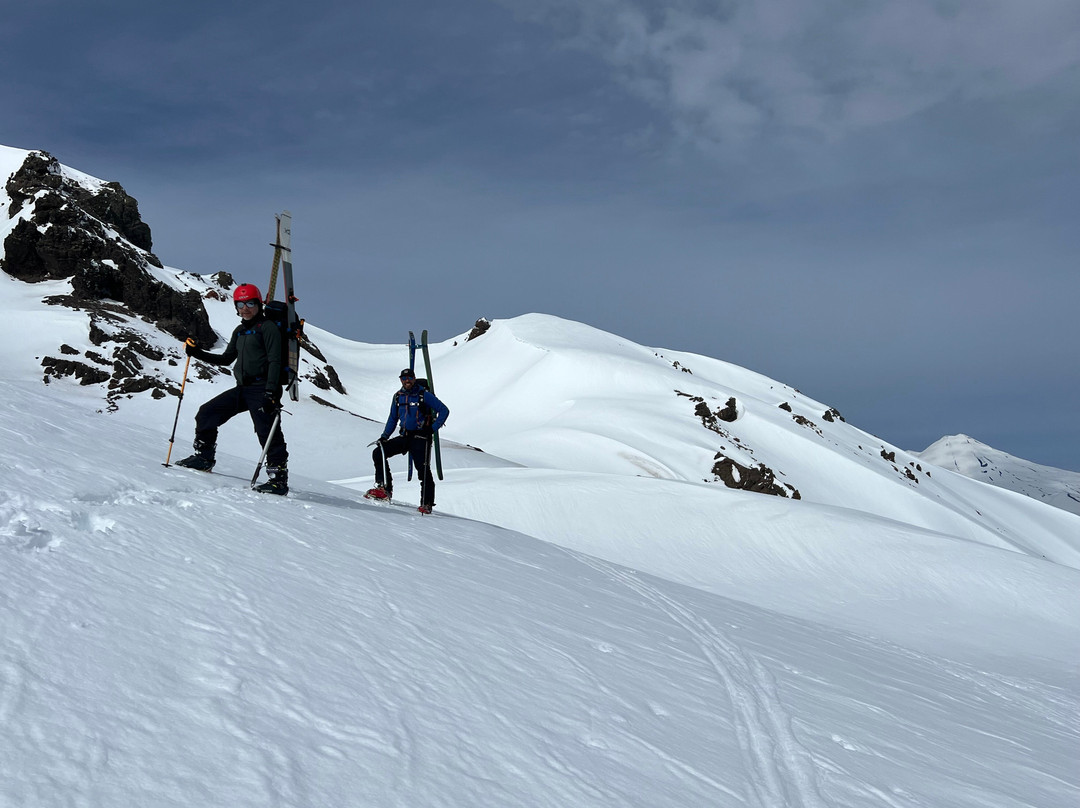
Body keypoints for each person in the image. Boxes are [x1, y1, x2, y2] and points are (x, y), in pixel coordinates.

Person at [175, 283, 290, 495]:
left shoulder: (268, 328)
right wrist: (197, 353)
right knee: (207, 413)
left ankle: (278, 480)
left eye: (250, 303)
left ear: (259, 304)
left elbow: (275, 361)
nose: (245, 309)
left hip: (263, 388)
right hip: (243, 388)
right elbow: (227, 359)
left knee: (267, 432)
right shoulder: (240, 331)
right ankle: (204, 458)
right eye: (240, 304)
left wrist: (271, 392)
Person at [365, 367, 449, 513]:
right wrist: (385, 436)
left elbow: (444, 410)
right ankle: (384, 489)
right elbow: (393, 418)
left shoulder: (424, 395)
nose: (407, 381)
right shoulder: (398, 397)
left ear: (414, 378)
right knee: (379, 453)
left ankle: (426, 503)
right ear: (400, 380)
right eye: (404, 378)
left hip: (421, 437)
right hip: (405, 436)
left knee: (423, 470)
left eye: (409, 377)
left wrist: (432, 429)